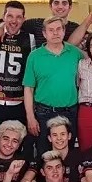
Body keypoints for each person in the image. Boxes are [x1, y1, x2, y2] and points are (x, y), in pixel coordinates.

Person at [24, 16, 85, 154]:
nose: (55, 33)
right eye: (51, 30)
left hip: (70, 112)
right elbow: (28, 89)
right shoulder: (34, 56)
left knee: (69, 155)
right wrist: (30, 117)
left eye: (59, 29)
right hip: (44, 113)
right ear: (44, 34)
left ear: (64, 31)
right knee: (44, 153)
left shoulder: (75, 53)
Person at [0, 1, 35, 154]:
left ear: (24, 19)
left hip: (19, 103)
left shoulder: (30, 38)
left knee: (19, 148)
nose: (14, 20)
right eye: (10, 16)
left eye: (19, 17)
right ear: (3, 17)